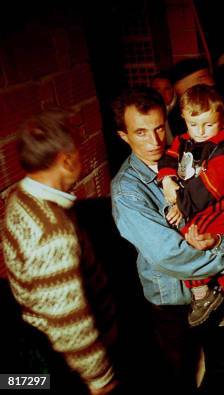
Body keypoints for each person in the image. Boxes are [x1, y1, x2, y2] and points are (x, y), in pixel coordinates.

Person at [110, 87, 224, 394]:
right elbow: (170, 255)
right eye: (141, 132)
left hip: (212, 287)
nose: (154, 141)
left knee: (223, 366)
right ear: (124, 136)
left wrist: (221, 240)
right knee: (180, 374)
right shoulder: (127, 191)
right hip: (173, 300)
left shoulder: (197, 153)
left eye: (159, 128)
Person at [2, 109, 117, 395]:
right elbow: (70, 325)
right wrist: (101, 379)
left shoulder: (22, 194)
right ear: (66, 161)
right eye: (78, 152)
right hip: (67, 360)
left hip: (36, 330)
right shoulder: (54, 235)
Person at [157, 84, 224, 328]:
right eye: (193, 124)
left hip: (220, 208)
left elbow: (203, 193)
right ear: (184, 119)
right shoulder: (184, 140)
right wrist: (167, 179)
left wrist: (180, 204)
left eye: (208, 125)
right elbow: (168, 157)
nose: (200, 132)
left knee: (191, 243)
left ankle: (202, 296)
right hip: (197, 204)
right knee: (201, 246)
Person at [151, 71, 181, 144]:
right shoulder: (148, 111)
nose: (162, 94)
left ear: (173, 89)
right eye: (157, 89)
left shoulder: (183, 109)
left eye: (167, 89)